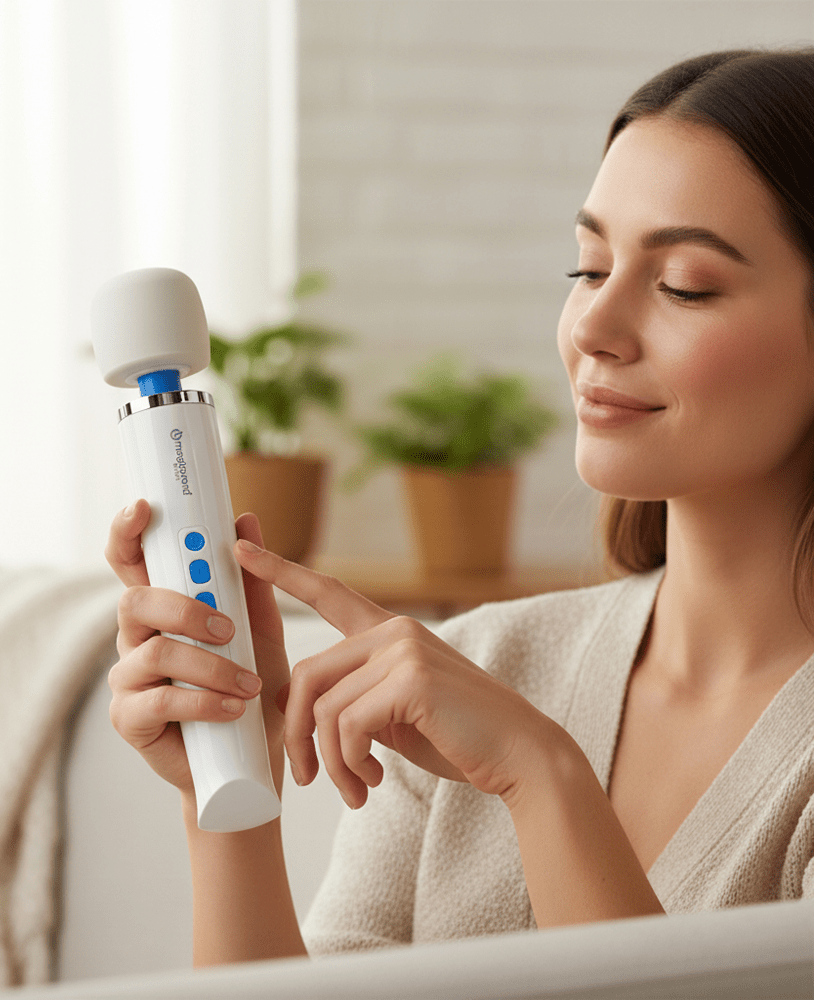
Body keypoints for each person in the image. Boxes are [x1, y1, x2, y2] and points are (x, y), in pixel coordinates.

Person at [105, 47, 814, 966]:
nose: (593, 329)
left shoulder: (480, 711)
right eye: (589, 269)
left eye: (685, 284)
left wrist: (542, 776)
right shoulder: (478, 666)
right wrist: (226, 784)